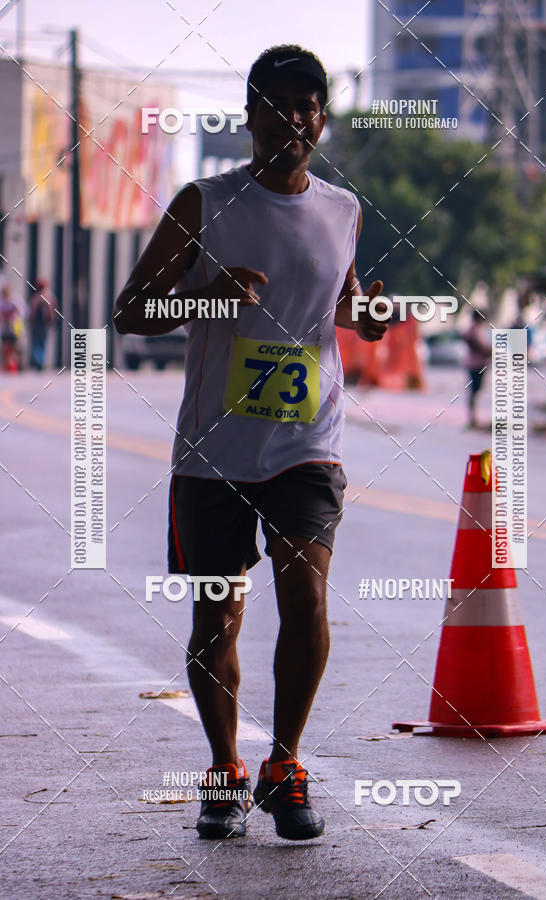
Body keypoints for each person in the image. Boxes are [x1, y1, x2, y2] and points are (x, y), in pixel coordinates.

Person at [113, 45, 388, 842]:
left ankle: (286, 765)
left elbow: (334, 301)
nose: (292, 120)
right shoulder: (205, 203)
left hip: (309, 442)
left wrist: (361, 315)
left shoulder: (344, 209)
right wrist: (207, 294)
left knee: (305, 598)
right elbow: (131, 312)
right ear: (250, 116)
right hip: (214, 451)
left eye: (307, 107)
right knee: (215, 621)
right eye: (276, 105)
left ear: (321, 122)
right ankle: (225, 766)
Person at [463, 308, 491, 429]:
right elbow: (483, 347)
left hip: (475, 363)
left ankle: (473, 418)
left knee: (475, 391)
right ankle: (472, 418)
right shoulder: (476, 330)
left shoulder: (473, 330)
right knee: (475, 391)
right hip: (477, 364)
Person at [28, 278, 57, 371]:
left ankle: (39, 361)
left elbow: (32, 312)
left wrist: (31, 322)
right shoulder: (49, 297)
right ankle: (40, 361)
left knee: (37, 342)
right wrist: (51, 321)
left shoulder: (35, 297)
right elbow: (52, 311)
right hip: (44, 324)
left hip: (37, 324)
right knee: (42, 342)